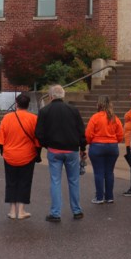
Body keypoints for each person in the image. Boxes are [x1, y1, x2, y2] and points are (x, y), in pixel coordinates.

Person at [35, 85, 87, 222]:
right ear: (63, 96)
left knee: (55, 181)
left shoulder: (45, 111)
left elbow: (39, 133)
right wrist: (83, 148)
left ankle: (55, 212)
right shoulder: (73, 110)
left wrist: (47, 145)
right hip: (72, 150)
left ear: (51, 96)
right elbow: (81, 131)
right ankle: (77, 210)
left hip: (54, 150)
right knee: (74, 181)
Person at [0, 92, 40, 219]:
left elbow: (0, 139)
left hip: (10, 154)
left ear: (16, 104)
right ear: (28, 105)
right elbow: (37, 140)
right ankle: (21, 210)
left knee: (11, 181)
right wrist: (37, 154)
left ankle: (12, 210)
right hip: (28, 155)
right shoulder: (33, 118)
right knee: (25, 182)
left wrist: (3, 152)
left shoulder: (7, 118)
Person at [85, 95, 123, 204]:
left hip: (97, 146)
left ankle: (99, 197)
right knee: (109, 172)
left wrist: (89, 142)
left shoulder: (95, 117)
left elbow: (88, 134)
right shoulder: (114, 118)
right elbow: (120, 134)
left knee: (98, 172)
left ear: (99, 104)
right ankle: (109, 196)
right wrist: (115, 141)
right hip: (112, 146)